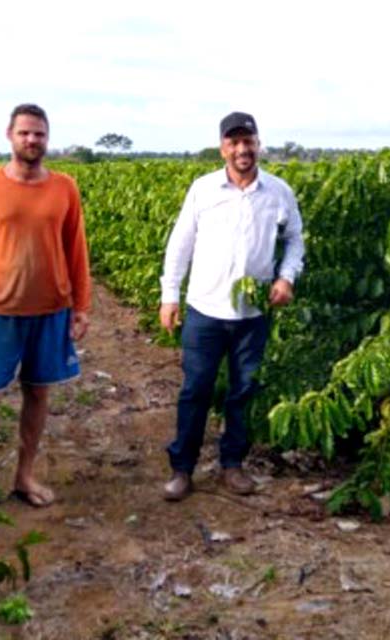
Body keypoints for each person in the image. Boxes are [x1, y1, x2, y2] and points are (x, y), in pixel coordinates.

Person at [0, 103, 91, 509]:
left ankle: (24, 476)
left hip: (51, 311)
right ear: (10, 136)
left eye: (39, 134)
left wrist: (81, 306)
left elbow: (76, 250)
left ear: (48, 139)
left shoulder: (64, 187)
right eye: (25, 133)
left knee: (38, 395)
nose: (32, 140)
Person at [159, 112, 305, 501]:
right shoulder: (203, 190)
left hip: (252, 315)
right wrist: (169, 295)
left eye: (248, 141)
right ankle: (182, 469)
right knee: (196, 390)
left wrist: (286, 276)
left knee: (243, 390)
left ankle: (232, 465)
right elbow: (180, 245)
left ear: (258, 144)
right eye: (234, 142)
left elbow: (295, 241)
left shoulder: (279, 192)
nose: (242, 149)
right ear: (223, 147)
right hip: (205, 310)